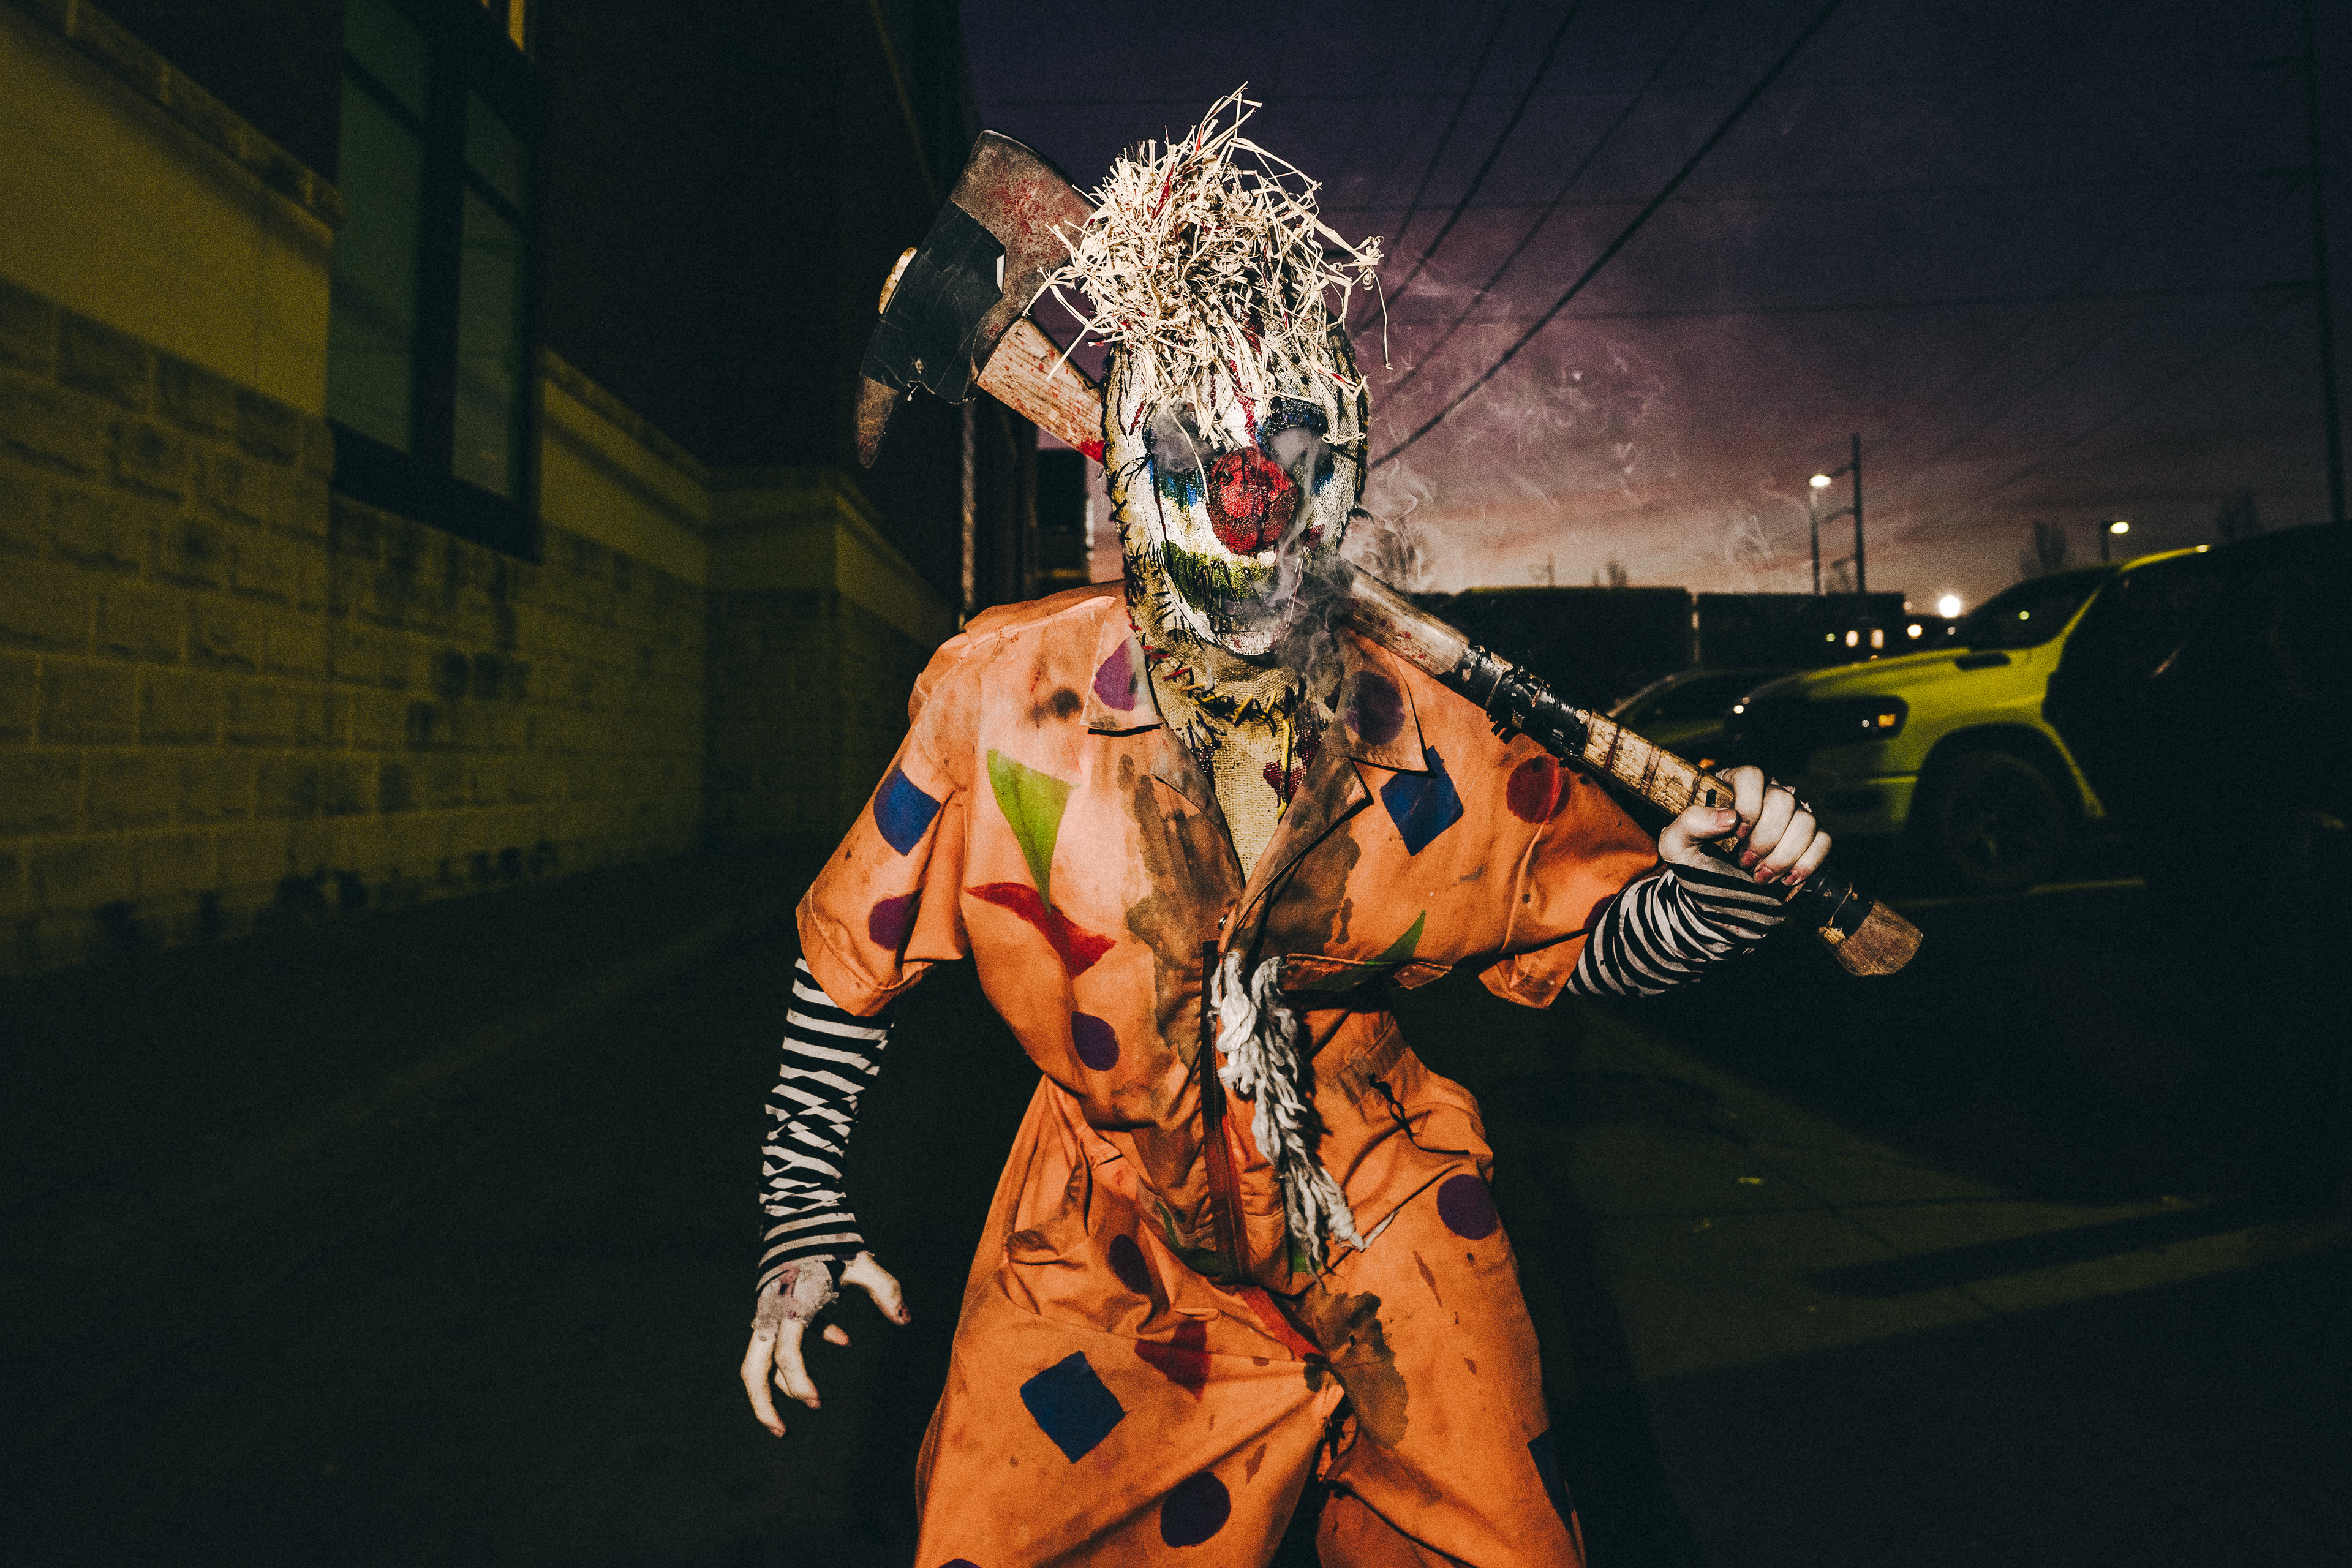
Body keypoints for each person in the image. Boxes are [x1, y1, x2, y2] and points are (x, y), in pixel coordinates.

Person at [739, 96, 1828, 1567]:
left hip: (1386, 1202)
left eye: (1294, 458)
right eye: (1203, 463)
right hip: (1100, 1242)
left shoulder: (1429, 728)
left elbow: (1586, 929)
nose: (1250, 511)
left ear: (1343, 471)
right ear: (1136, 475)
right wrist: (798, 1205)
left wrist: (1709, 896)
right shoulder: (1003, 703)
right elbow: (847, 959)